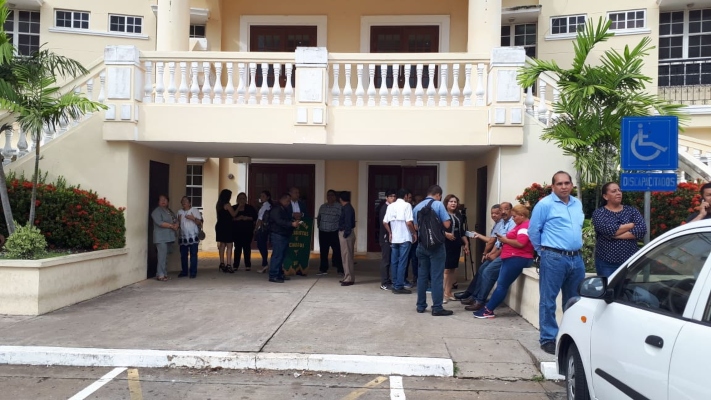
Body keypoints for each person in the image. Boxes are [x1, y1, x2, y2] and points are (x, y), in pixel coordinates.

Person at [528, 171, 585, 355]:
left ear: (571, 185)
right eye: (559, 184)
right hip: (553, 257)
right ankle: (548, 338)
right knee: (548, 300)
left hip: (576, 258)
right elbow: (533, 231)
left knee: (574, 300)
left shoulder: (577, 204)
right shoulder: (544, 204)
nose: (564, 186)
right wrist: (542, 252)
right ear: (553, 186)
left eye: (567, 183)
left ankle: (570, 336)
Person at [473, 204, 535, 319]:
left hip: (516, 258)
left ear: (522, 216)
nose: (513, 219)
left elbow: (521, 243)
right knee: (500, 283)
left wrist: (505, 240)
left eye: (515, 216)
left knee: (502, 285)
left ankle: (488, 310)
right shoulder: (521, 225)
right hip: (512, 257)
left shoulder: (524, 227)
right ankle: (487, 308)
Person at [461, 202, 515, 311]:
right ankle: (474, 296)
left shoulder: (512, 223)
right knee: (482, 269)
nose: (502, 212)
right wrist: (490, 253)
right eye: (501, 210)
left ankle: (480, 301)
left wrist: (490, 253)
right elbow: (497, 242)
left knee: (488, 272)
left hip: (509, 254)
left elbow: (504, 243)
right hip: (500, 251)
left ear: (511, 211)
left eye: (506, 209)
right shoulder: (503, 223)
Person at [592, 182, 646, 278]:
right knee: (608, 291)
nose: (618, 193)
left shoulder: (631, 211)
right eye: (614, 191)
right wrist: (631, 225)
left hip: (630, 262)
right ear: (605, 196)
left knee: (628, 291)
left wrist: (614, 235)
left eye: (619, 190)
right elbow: (606, 229)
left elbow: (641, 229)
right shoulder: (599, 213)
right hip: (606, 263)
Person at [413, 185, 452, 316]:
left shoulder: (417, 207)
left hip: (422, 245)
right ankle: (437, 307)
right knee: (436, 277)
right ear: (438, 195)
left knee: (422, 276)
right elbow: (447, 224)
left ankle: (420, 305)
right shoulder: (438, 205)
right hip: (437, 246)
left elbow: (416, 227)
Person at [455, 204, 501, 301]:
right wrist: (478, 235)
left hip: (499, 254)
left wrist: (485, 253)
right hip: (494, 252)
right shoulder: (497, 224)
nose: (494, 215)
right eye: (492, 213)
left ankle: (476, 297)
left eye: (497, 213)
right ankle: (471, 293)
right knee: (481, 270)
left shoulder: (501, 224)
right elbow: (492, 240)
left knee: (484, 271)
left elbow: (492, 241)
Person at [383, 188, 417, 294]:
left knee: (394, 261)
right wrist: (414, 233)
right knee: (403, 261)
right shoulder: (407, 205)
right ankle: (399, 286)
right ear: (406, 196)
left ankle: (395, 284)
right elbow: (409, 223)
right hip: (405, 237)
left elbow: (385, 222)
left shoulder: (391, 206)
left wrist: (390, 232)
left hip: (395, 238)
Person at [268, 193, 300, 283]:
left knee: (282, 256)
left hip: (283, 234)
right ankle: (273, 275)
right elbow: (278, 221)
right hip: (278, 234)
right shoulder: (276, 208)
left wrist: (292, 220)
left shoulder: (283, 208)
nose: (289, 203)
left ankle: (279, 274)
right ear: (284, 199)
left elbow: (284, 219)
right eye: (288, 201)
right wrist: (291, 224)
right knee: (277, 255)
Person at [442, 194, 469, 302]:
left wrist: (466, 243)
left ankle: (449, 291)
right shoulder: (442, 214)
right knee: (446, 269)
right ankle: (443, 293)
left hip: (456, 244)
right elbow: (437, 229)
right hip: (445, 244)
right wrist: (445, 234)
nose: (453, 203)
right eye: (451, 201)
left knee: (453, 268)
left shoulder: (459, 215)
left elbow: (461, 231)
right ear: (446, 203)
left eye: (455, 202)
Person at [151, 194, 178, 282]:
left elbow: (176, 220)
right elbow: (160, 223)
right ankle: (160, 274)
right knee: (161, 256)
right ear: (158, 202)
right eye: (161, 199)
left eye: (165, 199)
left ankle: (164, 273)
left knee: (166, 257)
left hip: (169, 237)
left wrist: (176, 225)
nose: (163, 201)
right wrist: (171, 226)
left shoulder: (169, 211)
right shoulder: (156, 211)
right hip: (161, 237)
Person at [316, 189, 343, 276]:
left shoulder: (339, 207)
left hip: (334, 232)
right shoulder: (322, 206)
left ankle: (340, 269)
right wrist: (319, 226)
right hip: (323, 232)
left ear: (335, 197)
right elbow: (319, 217)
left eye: (331, 195)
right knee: (323, 252)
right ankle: (323, 269)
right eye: (328, 195)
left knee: (337, 251)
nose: (329, 197)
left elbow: (342, 219)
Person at [177, 196, 202, 279]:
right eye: (182, 201)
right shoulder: (179, 212)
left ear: (190, 203)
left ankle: (193, 272)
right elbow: (178, 224)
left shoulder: (195, 211)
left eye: (186, 201)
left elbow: (200, 223)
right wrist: (178, 221)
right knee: (183, 255)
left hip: (193, 236)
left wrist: (193, 218)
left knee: (193, 255)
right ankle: (184, 271)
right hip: (183, 236)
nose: (184, 202)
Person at [232, 192, 258, 271]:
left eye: (243, 198)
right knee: (237, 248)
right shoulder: (234, 208)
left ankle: (248, 265)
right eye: (240, 198)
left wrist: (247, 218)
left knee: (247, 248)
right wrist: (237, 218)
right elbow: (230, 219)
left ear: (246, 199)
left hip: (247, 230)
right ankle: (236, 265)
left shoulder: (250, 208)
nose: (242, 200)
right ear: (237, 199)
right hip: (237, 231)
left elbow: (255, 217)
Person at [215, 189, 237, 273]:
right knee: (229, 245)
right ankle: (229, 265)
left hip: (220, 225)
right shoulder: (227, 205)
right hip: (227, 226)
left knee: (222, 245)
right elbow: (233, 214)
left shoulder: (218, 205)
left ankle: (222, 263)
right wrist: (238, 207)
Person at [378, 189, 397, 290]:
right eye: (390, 196)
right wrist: (389, 233)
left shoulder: (392, 207)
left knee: (389, 259)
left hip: (391, 237)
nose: (393, 198)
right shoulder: (385, 208)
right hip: (386, 238)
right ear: (386, 198)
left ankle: (388, 280)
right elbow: (384, 223)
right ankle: (384, 282)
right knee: (386, 260)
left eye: (394, 196)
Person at [338, 191, 356, 286]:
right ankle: (347, 276)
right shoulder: (347, 207)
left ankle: (349, 278)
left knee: (347, 256)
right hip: (346, 233)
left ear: (341, 199)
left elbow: (348, 222)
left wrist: (345, 234)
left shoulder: (347, 208)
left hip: (346, 233)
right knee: (346, 256)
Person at [254, 190, 272, 273]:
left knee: (261, 246)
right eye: (261, 196)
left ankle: (264, 264)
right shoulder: (265, 205)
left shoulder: (266, 206)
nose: (261, 198)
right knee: (261, 245)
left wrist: (255, 229)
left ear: (268, 197)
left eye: (263, 196)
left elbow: (260, 219)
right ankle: (264, 263)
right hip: (264, 228)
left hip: (262, 229)